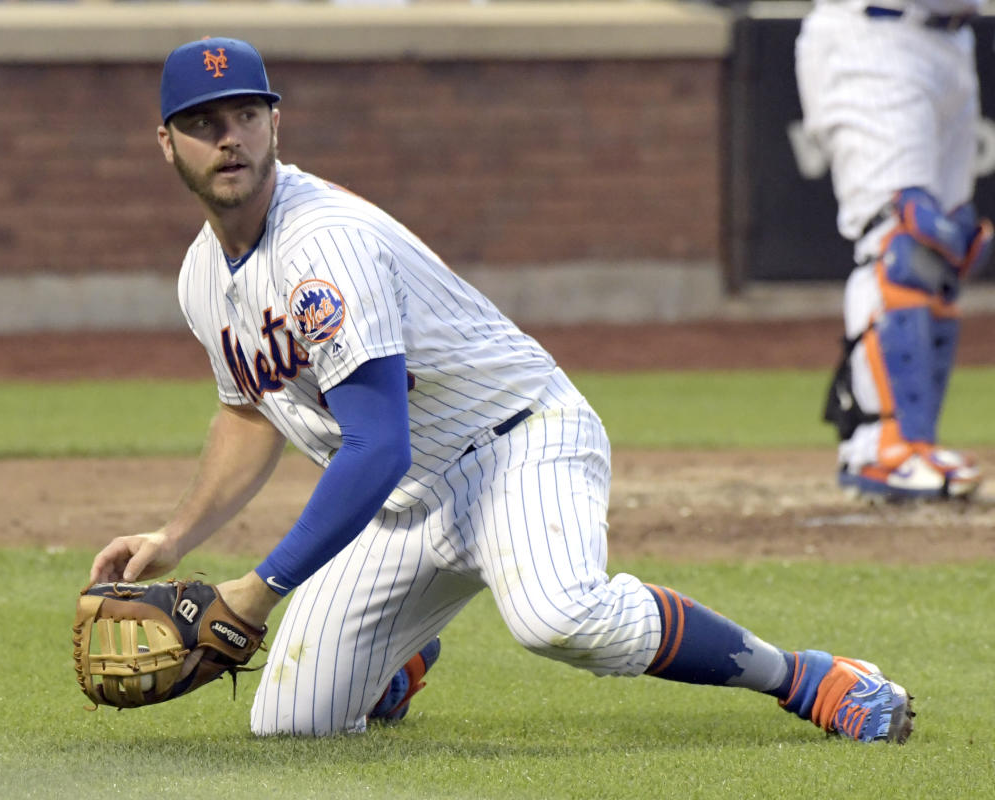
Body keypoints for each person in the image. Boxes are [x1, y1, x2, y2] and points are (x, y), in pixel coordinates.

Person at [88, 36, 914, 741]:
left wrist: (257, 590)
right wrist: (175, 537)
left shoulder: (324, 244)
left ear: (276, 121)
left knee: (559, 618)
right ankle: (400, 655)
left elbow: (378, 444)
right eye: (203, 122)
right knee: (289, 725)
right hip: (410, 502)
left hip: (518, 443)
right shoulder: (204, 275)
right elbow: (247, 411)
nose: (228, 138)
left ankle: (801, 677)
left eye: (245, 115)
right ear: (167, 143)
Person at [795, 1, 992, 501]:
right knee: (901, 237)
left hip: (952, 40)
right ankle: (880, 446)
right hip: (874, 37)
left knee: (949, 247)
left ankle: (914, 442)